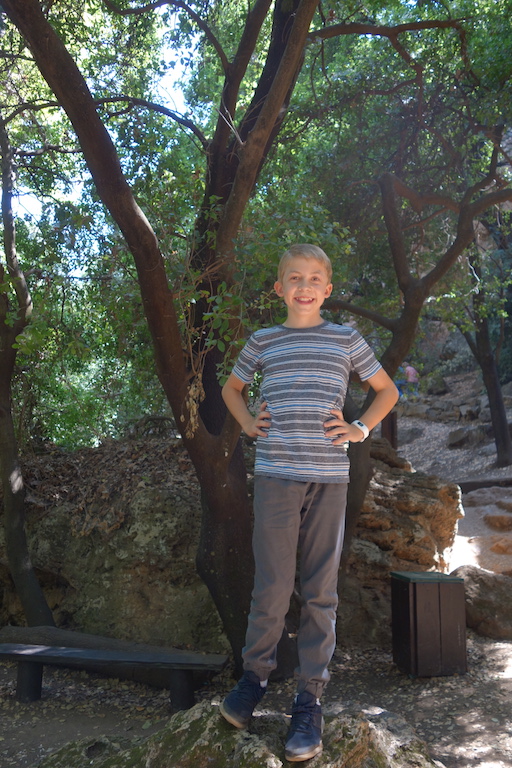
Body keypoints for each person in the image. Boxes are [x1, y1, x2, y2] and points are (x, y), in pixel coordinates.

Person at [219, 244, 398, 762]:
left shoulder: (346, 339)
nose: (304, 285)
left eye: (314, 278)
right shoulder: (263, 340)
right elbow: (233, 389)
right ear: (279, 289)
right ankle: (253, 681)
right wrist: (250, 422)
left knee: (320, 592)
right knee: (272, 588)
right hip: (275, 476)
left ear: (327, 289)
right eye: (294, 277)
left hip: (329, 481)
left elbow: (386, 391)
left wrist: (360, 427)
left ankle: (308, 702)